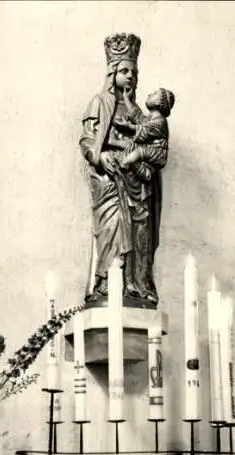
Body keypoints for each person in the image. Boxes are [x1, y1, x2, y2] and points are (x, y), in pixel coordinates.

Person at [79, 33, 166, 307]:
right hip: (108, 180)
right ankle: (107, 283)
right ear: (112, 72)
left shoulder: (139, 112)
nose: (130, 76)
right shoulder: (99, 103)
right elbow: (87, 140)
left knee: (139, 235)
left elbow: (151, 146)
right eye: (124, 70)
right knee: (112, 228)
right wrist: (100, 156)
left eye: (134, 72)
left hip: (135, 183)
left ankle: (134, 284)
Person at [113, 87, 175, 177]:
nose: (149, 94)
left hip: (157, 152)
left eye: (154, 94)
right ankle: (144, 172)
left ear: (158, 102)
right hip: (149, 149)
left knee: (137, 152)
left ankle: (124, 163)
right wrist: (125, 97)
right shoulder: (149, 119)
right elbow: (137, 117)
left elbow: (145, 130)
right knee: (130, 149)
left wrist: (128, 126)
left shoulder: (160, 121)